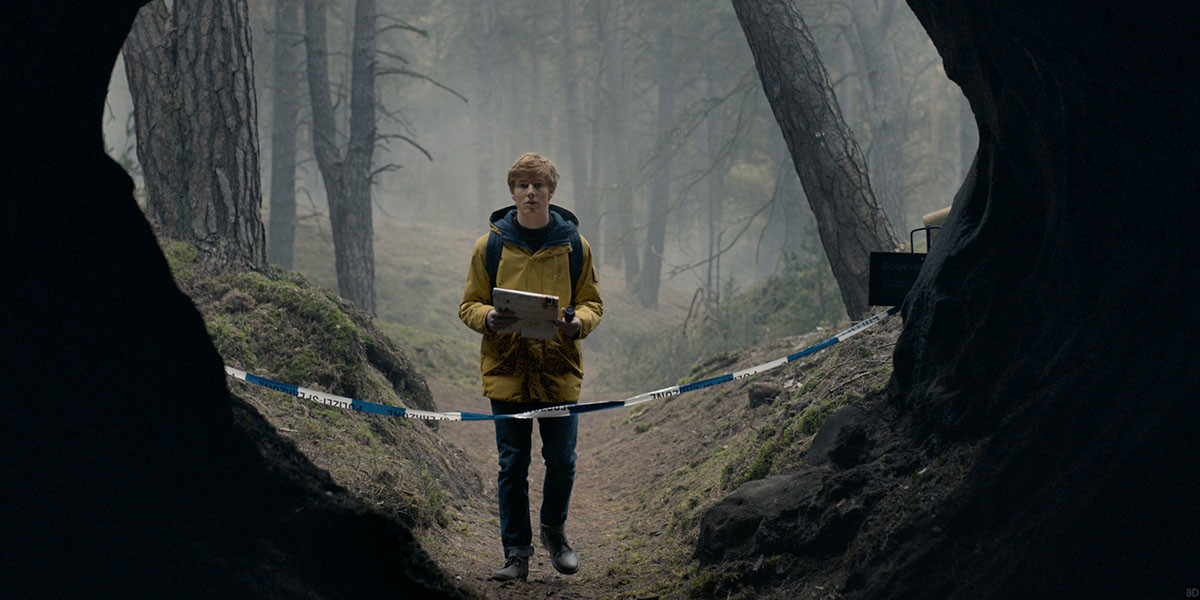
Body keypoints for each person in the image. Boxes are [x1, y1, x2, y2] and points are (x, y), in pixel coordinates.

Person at [459, 152, 604, 581]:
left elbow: (593, 303)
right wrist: (487, 318)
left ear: (550, 192)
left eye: (537, 185)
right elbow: (469, 304)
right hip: (507, 371)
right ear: (512, 192)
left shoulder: (575, 246)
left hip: (558, 372)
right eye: (522, 185)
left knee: (562, 461)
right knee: (512, 466)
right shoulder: (491, 246)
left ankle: (554, 533)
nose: (529, 192)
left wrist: (579, 323)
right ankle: (516, 555)